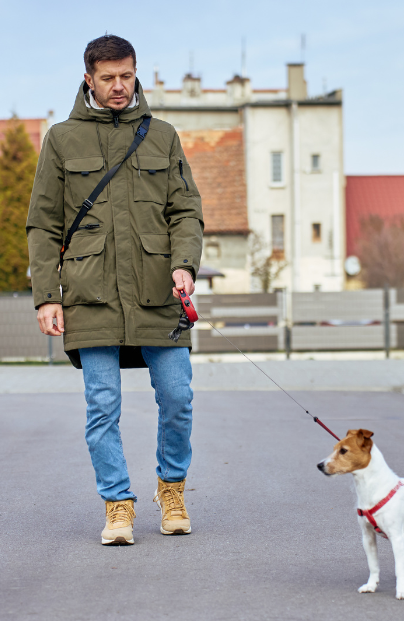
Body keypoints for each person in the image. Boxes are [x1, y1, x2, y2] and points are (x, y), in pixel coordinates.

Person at [26, 35, 204, 545]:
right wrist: (47, 294)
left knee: (178, 397)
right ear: (90, 79)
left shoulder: (163, 135)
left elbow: (185, 212)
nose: (119, 86)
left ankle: (172, 488)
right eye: (108, 78)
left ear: (135, 72)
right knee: (102, 405)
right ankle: (117, 504)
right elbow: (43, 225)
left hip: (158, 293)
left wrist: (185, 265)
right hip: (90, 294)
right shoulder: (61, 139)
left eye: (126, 75)